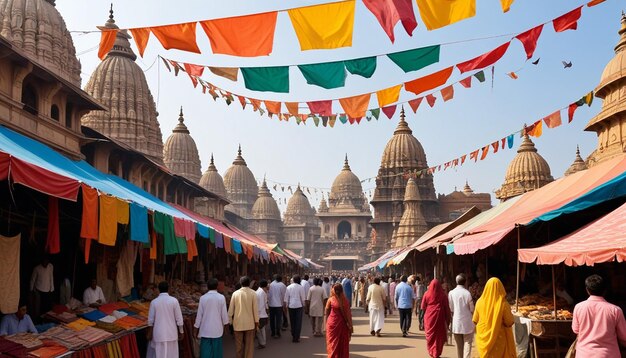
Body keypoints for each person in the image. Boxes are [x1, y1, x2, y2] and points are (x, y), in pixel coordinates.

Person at [572, 274, 626, 357]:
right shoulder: (615, 310)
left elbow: (576, 330)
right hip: (608, 354)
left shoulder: (578, 307)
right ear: (605, 290)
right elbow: (624, 336)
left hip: (584, 354)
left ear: (587, 290)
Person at [472, 277, 515, 357]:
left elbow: (475, 320)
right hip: (498, 341)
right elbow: (509, 322)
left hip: (482, 341)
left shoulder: (479, 302)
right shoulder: (504, 304)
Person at [147, 281, 184, 358]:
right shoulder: (174, 301)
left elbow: (150, 321)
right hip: (172, 334)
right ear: (169, 289)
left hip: (159, 334)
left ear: (158, 289)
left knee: (159, 355)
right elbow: (179, 319)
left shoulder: (154, 302)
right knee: (172, 355)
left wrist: (150, 332)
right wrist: (181, 331)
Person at [194, 278, 229, 358]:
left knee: (205, 354)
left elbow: (199, 315)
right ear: (217, 286)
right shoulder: (221, 298)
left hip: (205, 331)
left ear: (207, 286)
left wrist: (195, 328)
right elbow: (224, 315)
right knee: (217, 354)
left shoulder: (203, 298)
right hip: (217, 330)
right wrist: (226, 326)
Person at [228, 276, 259, 358]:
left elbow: (231, 309)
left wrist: (230, 321)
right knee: (249, 346)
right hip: (250, 323)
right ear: (249, 283)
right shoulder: (253, 293)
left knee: (239, 346)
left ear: (240, 283)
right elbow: (255, 309)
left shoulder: (235, 293)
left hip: (238, 323)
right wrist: (257, 322)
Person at [421, 279, 451, 358]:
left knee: (430, 335)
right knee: (439, 336)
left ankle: (432, 351)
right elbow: (447, 308)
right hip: (440, 317)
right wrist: (448, 320)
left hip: (429, 317)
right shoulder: (443, 295)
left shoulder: (426, 294)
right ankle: (436, 353)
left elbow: (423, 307)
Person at [448, 274, 474, 358]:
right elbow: (472, 309)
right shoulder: (467, 293)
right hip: (467, 323)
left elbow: (451, 308)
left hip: (457, 322)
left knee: (459, 347)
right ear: (465, 282)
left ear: (456, 282)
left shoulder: (451, 293)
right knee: (468, 343)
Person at [325, 284, 352, 358]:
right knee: (341, 343)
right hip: (341, 324)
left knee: (333, 343)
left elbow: (326, 312)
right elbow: (348, 314)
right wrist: (350, 326)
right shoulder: (345, 301)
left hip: (333, 324)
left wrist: (326, 324)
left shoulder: (330, 300)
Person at [284, 275, 306, 343]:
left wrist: (286, 306)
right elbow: (303, 298)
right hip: (299, 306)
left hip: (291, 306)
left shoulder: (288, 287)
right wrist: (304, 306)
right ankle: (297, 337)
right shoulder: (300, 287)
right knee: (298, 322)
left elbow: (286, 298)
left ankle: (293, 335)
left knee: (292, 321)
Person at [268, 274, 286, 339]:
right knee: (278, 319)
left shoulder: (270, 285)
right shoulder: (282, 285)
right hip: (279, 305)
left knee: (272, 319)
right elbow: (284, 296)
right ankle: (278, 332)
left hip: (271, 304)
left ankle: (273, 332)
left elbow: (269, 295)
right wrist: (284, 304)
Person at [255, 280, 269, 349]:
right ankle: (263, 342)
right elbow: (265, 304)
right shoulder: (263, 293)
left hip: (259, 314)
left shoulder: (257, 292)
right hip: (261, 314)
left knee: (259, 330)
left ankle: (262, 343)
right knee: (261, 329)